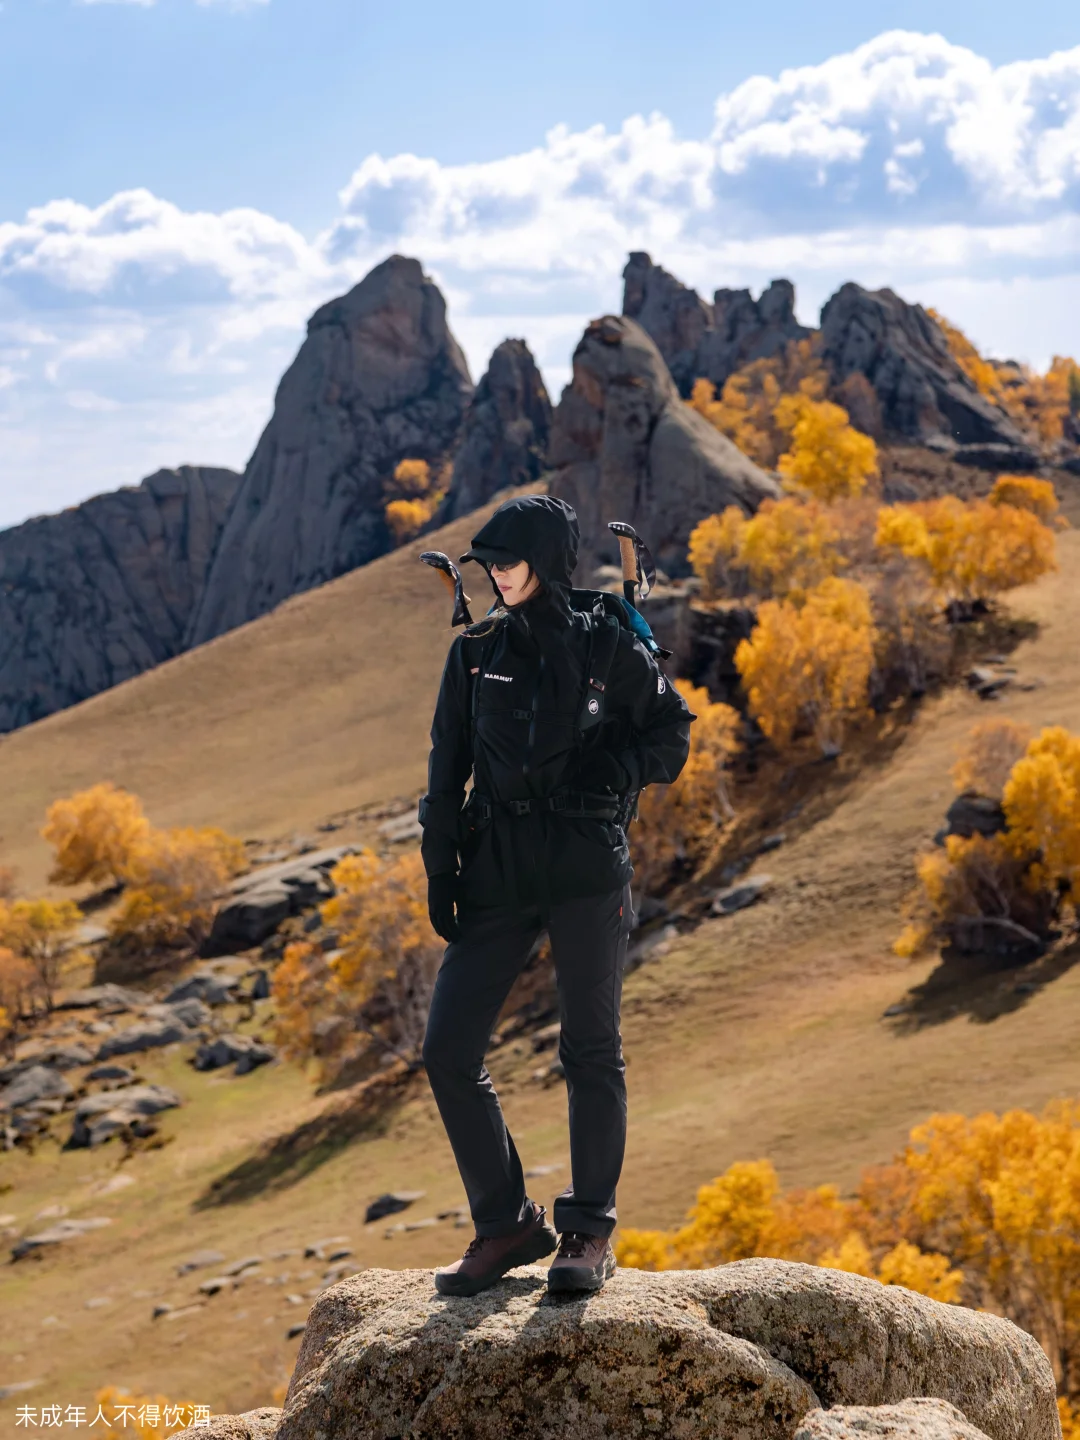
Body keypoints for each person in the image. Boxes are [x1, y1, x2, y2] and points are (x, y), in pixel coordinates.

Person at [418, 493, 693, 1297]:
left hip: (585, 867)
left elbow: (671, 732)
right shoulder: (475, 655)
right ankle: (506, 1224)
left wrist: (617, 770)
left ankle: (586, 1230)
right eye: (489, 565)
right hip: (496, 869)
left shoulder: (610, 643)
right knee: (448, 1050)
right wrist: (441, 867)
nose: (497, 575)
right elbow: (445, 770)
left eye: (509, 561)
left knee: (590, 1051)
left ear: (545, 560)